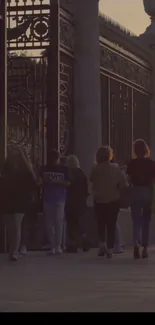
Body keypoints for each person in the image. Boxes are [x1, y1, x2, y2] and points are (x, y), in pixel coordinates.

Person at [90, 146, 127, 258]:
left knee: (101, 223)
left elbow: (92, 180)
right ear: (109, 155)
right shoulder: (115, 168)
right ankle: (110, 249)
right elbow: (123, 183)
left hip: (99, 200)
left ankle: (102, 245)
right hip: (113, 200)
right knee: (111, 224)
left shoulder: (95, 168)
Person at [1, 146, 37, 261]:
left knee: (16, 226)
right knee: (10, 227)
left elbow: (32, 181)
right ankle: (12, 250)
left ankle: (13, 251)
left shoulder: (25, 169)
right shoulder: (6, 168)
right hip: (7, 200)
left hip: (19, 200)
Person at [127, 139, 155, 259]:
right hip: (148, 191)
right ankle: (145, 248)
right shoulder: (151, 163)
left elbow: (129, 179)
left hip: (136, 190)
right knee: (146, 221)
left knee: (136, 220)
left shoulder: (131, 163)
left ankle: (136, 244)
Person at [41, 149, 69, 255]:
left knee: (58, 221)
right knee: (49, 224)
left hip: (60, 198)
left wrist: (55, 181)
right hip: (48, 198)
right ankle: (52, 245)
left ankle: (57, 245)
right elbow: (40, 181)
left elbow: (68, 183)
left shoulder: (64, 169)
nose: (53, 161)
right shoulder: (44, 168)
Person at [65, 155, 89, 253]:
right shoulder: (82, 173)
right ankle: (84, 241)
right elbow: (85, 188)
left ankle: (73, 244)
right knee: (81, 223)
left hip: (70, 201)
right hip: (81, 201)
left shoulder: (69, 173)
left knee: (71, 224)